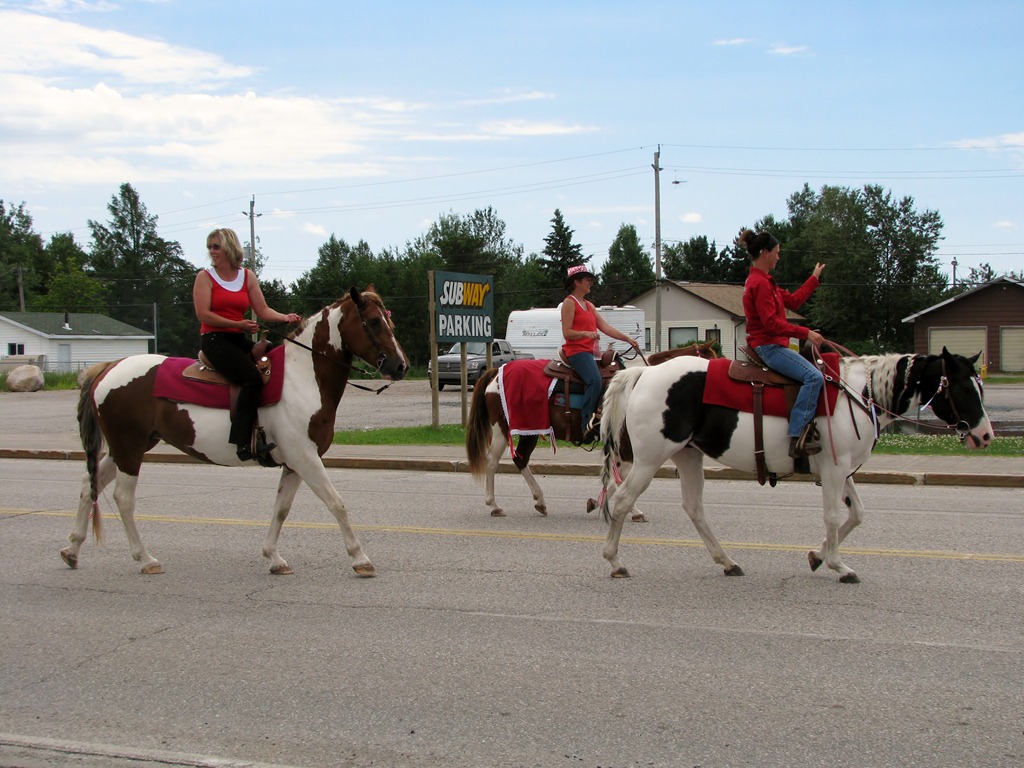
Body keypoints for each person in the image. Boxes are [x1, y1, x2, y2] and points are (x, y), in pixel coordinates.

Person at [192, 228, 302, 462]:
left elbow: (262, 310)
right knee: (251, 378)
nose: (211, 251)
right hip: (215, 340)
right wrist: (239, 324)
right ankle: (243, 442)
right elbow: (203, 315)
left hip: (237, 338)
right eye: (210, 246)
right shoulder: (205, 277)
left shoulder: (247, 276)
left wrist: (284, 317)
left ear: (230, 247)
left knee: (274, 355)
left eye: (216, 246)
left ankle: (280, 426)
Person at [738, 229, 826, 459]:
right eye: (776, 253)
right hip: (769, 347)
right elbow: (771, 324)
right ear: (765, 253)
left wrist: (814, 278)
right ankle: (798, 437)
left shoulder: (767, 283)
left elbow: (795, 300)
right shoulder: (760, 284)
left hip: (772, 343)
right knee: (813, 377)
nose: (778, 257)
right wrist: (805, 333)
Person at [561, 264, 641, 444]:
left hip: (589, 352)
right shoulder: (569, 302)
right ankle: (585, 424)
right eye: (587, 280)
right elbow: (567, 332)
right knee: (594, 380)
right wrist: (585, 334)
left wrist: (628, 339)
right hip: (577, 351)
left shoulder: (589, 305)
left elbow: (605, 327)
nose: (590, 283)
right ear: (577, 282)